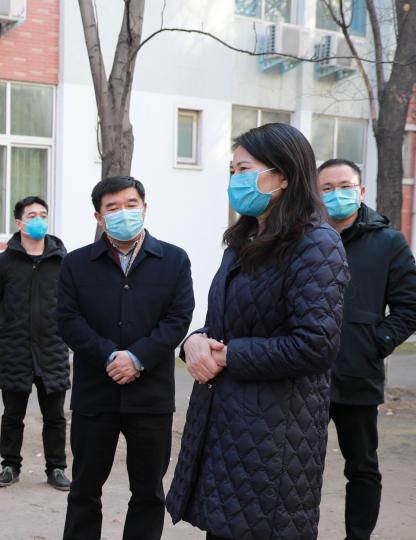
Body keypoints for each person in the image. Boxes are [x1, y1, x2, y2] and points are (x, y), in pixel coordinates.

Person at [166, 123, 350, 540]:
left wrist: (229, 355)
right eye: (232, 170)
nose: (235, 180)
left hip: (274, 435)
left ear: (282, 175)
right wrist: (194, 341)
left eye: (245, 170)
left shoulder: (315, 243)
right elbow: (226, 323)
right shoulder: (245, 239)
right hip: (228, 424)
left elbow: (315, 344)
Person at [57, 176, 194, 540]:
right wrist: (108, 356)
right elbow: (68, 320)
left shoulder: (174, 260)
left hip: (151, 396)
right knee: (84, 489)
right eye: (112, 207)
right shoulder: (76, 264)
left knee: (148, 492)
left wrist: (137, 358)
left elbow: (178, 318)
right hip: (94, 395)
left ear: (144, 208)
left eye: (131, 205)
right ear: (99, 217)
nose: (123, 213)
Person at [318, 158, 416, 540]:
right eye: (327, 188)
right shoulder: (304, 239)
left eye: (345, 186)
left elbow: (410, 306)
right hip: (304, 375)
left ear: (360, 191)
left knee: (361, 468)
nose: (336, 194)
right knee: (295, 467)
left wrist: (375, 343)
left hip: (357, 375)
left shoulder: (388, 242)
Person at [0, 196, 71, 491]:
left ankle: (56, 468)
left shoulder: (62, 260)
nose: (39, 220)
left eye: (43, 215)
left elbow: (71, 301)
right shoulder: (3, 262)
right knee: (13, 415)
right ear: (19, 223)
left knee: (55, 417)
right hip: (15, 350)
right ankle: (10, 466)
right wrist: (12, 324)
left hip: (53, 349)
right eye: (32, 215)